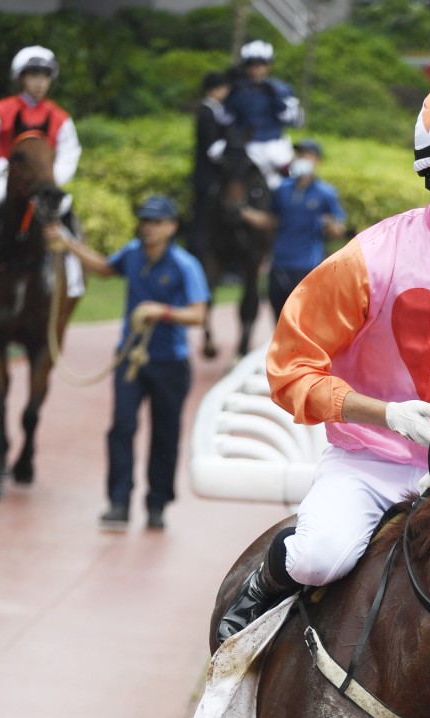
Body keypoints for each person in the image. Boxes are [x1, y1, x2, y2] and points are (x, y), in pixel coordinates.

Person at [215, 76, 430, 645]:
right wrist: (379, 413)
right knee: (319, 560)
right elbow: (290, 370)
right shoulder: (368, 259)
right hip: (367, 465)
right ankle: (264, 583)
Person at [46, 196, 209, 531]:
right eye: (145, 220)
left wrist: (160, 312)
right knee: (121, 428)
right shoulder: (132, 253)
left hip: (170, 364)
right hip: (129, 360)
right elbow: (106, 268)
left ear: (171, 227)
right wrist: (69, 245)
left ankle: (156, 505)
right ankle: (118, 503)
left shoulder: (184, 264)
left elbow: (198, 314)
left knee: (165, 435)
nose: (148, 227)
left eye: (156, 221)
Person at [0, 45, 83, 295]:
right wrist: (4, 170)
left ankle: (73, 272)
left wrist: (48, 179)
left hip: (45, 185)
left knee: (64, 206)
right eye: (33, 75)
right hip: (7, 180)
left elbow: (70, 155)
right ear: (20, 78)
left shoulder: (60, 117)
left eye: (45, 76)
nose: (40, 82)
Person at [238, 137, 346, 320]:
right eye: (298, 154)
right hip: (279, 265)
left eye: (306, 155)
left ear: (316, 160)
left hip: (308, 267)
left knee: (304, 323)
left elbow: (338, 228)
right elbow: (270, 220)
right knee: (279, 322)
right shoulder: (282, 189)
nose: (300, 158)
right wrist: (242, 211)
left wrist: (330, 225)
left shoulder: (326, 193)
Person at [223, 39, 302, 187]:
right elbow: (226, 119)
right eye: (252, 65)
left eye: (260, 65)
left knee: (296, 175)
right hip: (247, 147)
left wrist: (277, 99)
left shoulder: (281, 89)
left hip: (275, 145)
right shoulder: (236, 90)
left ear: (268, 66)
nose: (256, 70)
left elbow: (294, 119)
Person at [189, 68, 232, 256]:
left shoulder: (216, 110)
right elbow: (211, 147)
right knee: (202, 217)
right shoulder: (205, 112)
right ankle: (198, 253)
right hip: (205, 173)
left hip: (208, 172)